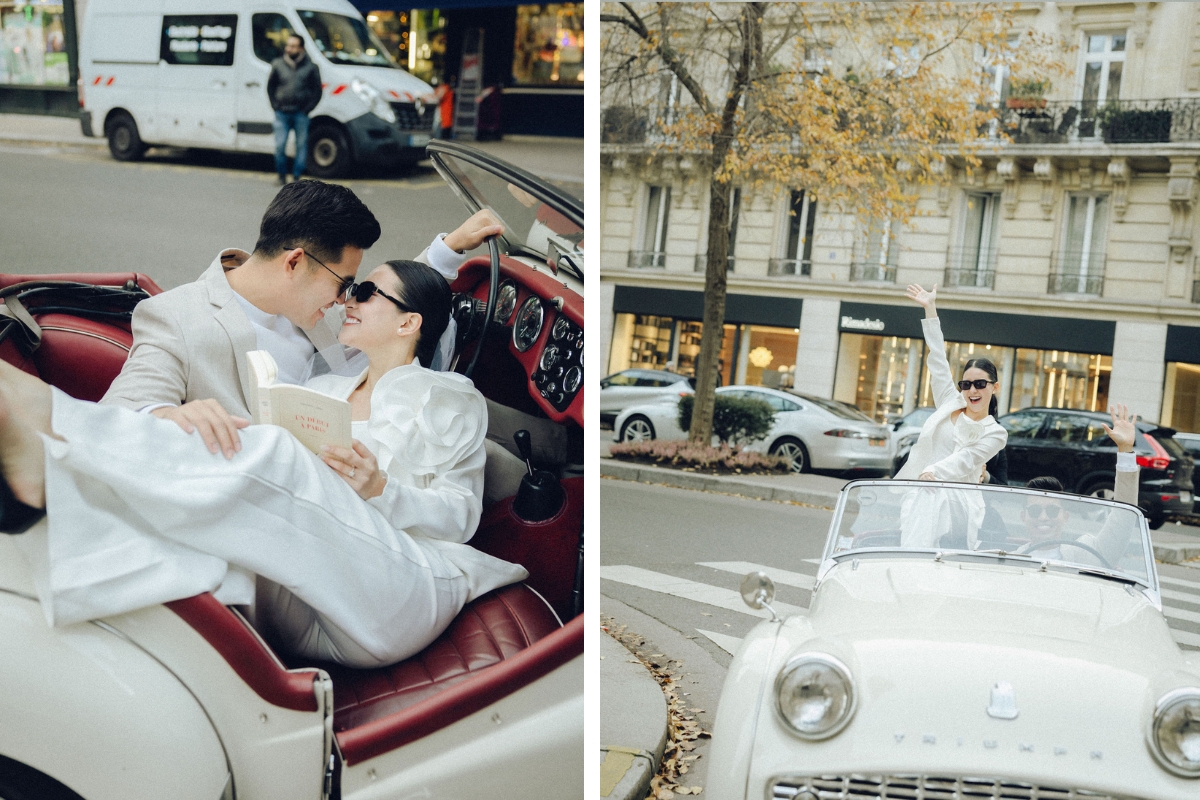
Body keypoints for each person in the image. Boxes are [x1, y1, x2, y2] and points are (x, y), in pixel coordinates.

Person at [0, 260, 526, 669]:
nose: (351, 300)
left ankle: (54, 424)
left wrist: (382, 488)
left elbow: (461, 518)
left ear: (409, 322)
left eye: (366, 293)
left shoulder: (444, 396)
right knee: (228, 456)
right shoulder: (324, 389)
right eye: (351, 288)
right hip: (311, 590)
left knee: (276, 458)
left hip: (404, 588)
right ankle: (55, 498)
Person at [100, 179, 503, 462]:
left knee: (474, 437)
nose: (346, 299)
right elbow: (120, 411)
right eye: (344, 283)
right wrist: (165, 416)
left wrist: (447, 249)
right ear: (294, 262)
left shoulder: (307, 305)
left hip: (354, 455)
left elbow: (385, 306)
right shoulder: (176, 317)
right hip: (277, 503)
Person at [894, 283, 1007, 547]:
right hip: (924, 492)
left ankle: (913, 556)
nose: (972, 390)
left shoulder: (996, 433)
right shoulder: (949, 402)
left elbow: (965, 460)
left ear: (994, 387)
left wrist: (931, 471)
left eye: (980, 384)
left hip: (961, 500)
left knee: (932, 495)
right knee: (924, 496)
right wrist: (930, 309)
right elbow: (938, 361)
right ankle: (911, 559)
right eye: (966, 384)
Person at [1011, 403, 1142, 567]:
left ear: (1065, 517)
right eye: (1035, 511)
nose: (1043, 517)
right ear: (1024, 516)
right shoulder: (1011, 560)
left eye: (1052, 511)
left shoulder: (1085, 553)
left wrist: (1125, 449)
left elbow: (1124, 519)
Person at [267, 33, 322, 185]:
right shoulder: (278, 64)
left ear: (301, 48)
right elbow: (270, 87)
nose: (289, 48)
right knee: (279, 145)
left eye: (293, 46)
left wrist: (307, 109)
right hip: (281, 112)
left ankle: (296, 177)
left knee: (301, 146)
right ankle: (281, 175)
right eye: (288, 45)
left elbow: (317, 91)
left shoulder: (311, 67)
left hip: (300, 114)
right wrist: (275, 105)